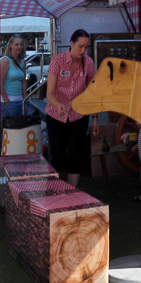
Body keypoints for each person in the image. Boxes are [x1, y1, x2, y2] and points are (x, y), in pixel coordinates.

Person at [45, 29, 100, 187]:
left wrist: (95, 118)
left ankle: (71, 193)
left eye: (86, 47)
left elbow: (92, 93)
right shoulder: (57, 61)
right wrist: (58, 105)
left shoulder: (88, 63)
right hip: (56, 116)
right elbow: (49, 94)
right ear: (71, 44)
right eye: (80, 47)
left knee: (76, 156)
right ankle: (60, 189)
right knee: (58, 156)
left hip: (78, 116)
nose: (83, 51)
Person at [0, 34, 27, 119]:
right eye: (16, 45)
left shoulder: (22, 61)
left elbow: (24, 81)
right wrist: (7, 101)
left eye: (21, 44)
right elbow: (0, 82)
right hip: (8, 101)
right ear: (10, 45)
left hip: (20, 101)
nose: (19, 47)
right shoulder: (5, 60)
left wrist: (25, 99)